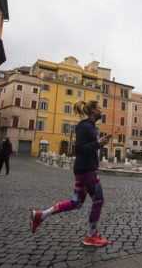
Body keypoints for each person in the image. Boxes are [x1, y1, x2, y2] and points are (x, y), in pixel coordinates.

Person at [30, 100, 111, 247]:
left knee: (76, 202)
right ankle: (91, 236)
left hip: (83, 169)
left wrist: (99, 142)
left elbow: (88, 147)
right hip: (86, 170)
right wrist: (98, 143)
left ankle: (41, 215)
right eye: (99, 108)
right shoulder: (84, 126)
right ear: (93, 111)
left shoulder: (90, 126)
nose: (101, 111)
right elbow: (79, 149)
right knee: (98, 200)